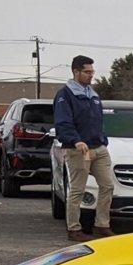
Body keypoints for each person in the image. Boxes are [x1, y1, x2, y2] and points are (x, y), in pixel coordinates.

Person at [53, 54, 114, 240]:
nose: (91, 75)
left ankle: (101, 224)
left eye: (92, 72)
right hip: (78, 149)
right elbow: (63, 122)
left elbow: (97, 120)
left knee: (107, 185)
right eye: (87, 72)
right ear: (76, 71)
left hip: (98, 148)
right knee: (78, 190)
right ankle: (74, 228)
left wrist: (102, 139)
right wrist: (75, 140)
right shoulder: (65, 95)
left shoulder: (93, 95)